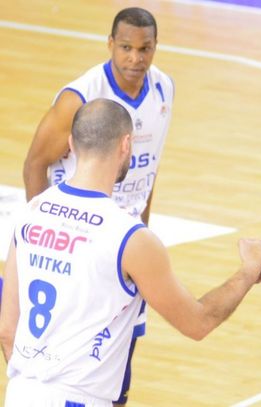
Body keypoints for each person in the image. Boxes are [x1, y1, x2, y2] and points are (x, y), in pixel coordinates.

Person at [0, 99, 261, 406]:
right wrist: (249, 270)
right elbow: (198, 322)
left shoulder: (31, 212)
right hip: (77, 398)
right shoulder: (129, 236)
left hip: (20, 392)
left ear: (71, 144)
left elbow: (7, 330)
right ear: (126, 145)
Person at [21, 8, 173, 405]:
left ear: (156, 47)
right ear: (110, 44)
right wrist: (42, 230)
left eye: (145, 48)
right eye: (125, 47)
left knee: (120, 369)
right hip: (79, 239)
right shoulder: (80, 97)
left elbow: (149, 170)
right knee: (73, 358)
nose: (135, 58)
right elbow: (35, 163)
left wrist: (141, 233)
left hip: (122, 242)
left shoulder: (164, 90)